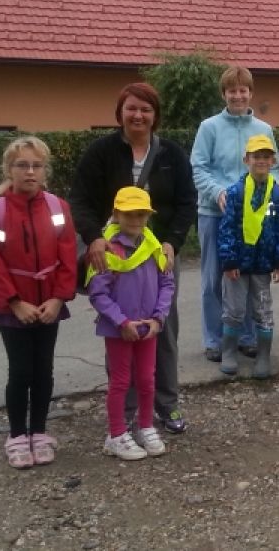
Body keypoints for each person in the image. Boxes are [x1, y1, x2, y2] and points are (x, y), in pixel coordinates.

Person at [69, 82, 197, 434]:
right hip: (114, 256)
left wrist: (172, 242)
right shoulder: (101, 152)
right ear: (120, 113)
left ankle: (167, 404)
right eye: (132, 108)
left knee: (162, 328)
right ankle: (125, 409)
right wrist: (93, 238)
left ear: (156, 116)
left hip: (159, 256)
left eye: (146, 109)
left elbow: (187, 202)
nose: (138, 115)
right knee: (120, 328)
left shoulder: (172, 154)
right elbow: (80, 199)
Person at [0, 136, 77, 469]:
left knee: (44, 369)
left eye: (36, 165)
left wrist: (58, 298)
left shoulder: (58, 208)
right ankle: (18, 435)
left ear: (45, 170)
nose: (30, 172)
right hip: (12, 306)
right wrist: (15, 302)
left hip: (49, 304)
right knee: (20, 370)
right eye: (22, 165)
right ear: (9, 170)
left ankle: (40, 432)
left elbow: (67, 256)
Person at [191, 65, 278, 364]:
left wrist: (275, 190)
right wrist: (218, 192)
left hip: (252, 215)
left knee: (250, 276)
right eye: (232, 90)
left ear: (251, 93)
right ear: (224, 94)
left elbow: (275, 169)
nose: (238, 95)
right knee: (214, 278)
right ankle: (215, 339)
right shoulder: (209, 128)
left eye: (243, 90)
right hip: (214, 213)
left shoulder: (264, 130)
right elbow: (199, 168)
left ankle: (247, 336)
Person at [87, 187, 174, 461]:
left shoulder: (154, 247)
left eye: (141, 214)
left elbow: (167, 283)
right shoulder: (108, 249)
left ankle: (146, 427)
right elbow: (97, 292)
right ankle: (116, 434)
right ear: (116, 215)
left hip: (148, 327)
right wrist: (121, 321)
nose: (135, 220)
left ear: (148, 216)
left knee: (147, 379)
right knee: (121, 381)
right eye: (129, 214)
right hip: (119, 330)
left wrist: (158, 318)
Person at [216, 135, 279, 379]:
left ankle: (264, 355)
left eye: (266, 157)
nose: (261, 161)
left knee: (263, 310)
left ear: (273, 161)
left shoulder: (277, 194)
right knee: (234, 310)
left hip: (263, 264)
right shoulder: (235, 192)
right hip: (237, 265)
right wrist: (229, 259)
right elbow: (226, 228)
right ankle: (229, 352)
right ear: (246, 160)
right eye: (256, 156)